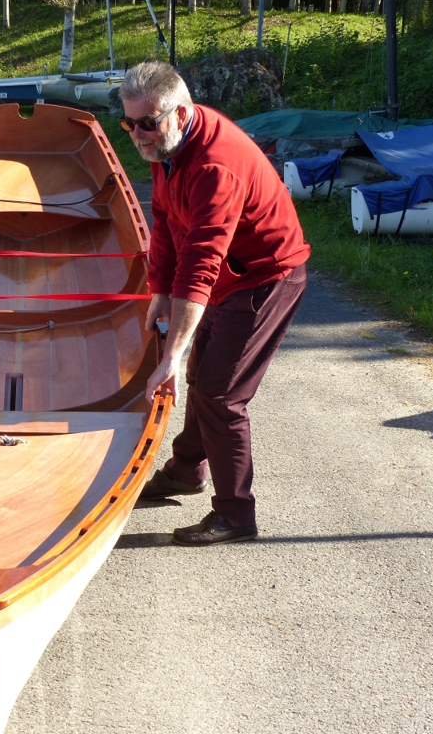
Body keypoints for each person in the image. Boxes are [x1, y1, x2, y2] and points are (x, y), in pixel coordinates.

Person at [117, 61, 310, 546]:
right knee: (206, 382)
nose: (137, 134)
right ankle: (185, 471)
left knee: (221, 394)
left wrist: (172, 357)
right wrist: (158, 290)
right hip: (228, 277)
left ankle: (235, 516)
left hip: (265, 277)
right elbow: (164, 220)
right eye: (128, 122)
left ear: (180, 114)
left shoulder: (213, 166)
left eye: (147, 122)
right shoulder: (170, 149)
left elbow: (200, 266)